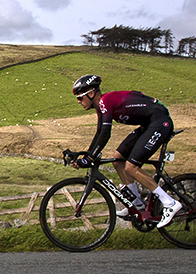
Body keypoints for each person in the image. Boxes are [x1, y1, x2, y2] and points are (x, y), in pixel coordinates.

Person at [69, 74, 182, 227]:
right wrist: (87, 155)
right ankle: (136, 205)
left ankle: (170, 203)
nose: (79, 102)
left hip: (160, 122)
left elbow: (105, 135)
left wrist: (89, 159)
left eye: (80, 98)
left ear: (91, 93)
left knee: (131, 166)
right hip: (148, 124)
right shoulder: (100, 108)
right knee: (118, 160)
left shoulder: (106, 101)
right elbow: (99, 133)